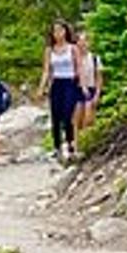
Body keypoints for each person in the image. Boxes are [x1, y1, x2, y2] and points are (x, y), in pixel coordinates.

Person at [39, 21, 85, 159]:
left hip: (69, 82)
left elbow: (79, 68)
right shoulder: (50, 50)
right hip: (57, 83)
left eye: (60, 30)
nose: (58, 33)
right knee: (55, 115)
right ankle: (57, 146)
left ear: (65, 31)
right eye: (55, 31)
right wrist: (42, 87)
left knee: (67, 114)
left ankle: (71, 143)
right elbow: (47, 70)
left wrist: (82, 85)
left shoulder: (73, 48)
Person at [78, 32, 104, 129]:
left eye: (84, 41)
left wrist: (97, 94)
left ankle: (86, 140)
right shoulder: (74, 59)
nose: (82, 44)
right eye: (80, 41)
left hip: (90, 89)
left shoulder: (94, 58)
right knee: (77, 121)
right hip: (76, 90)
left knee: (88, 119)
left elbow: (99, 78)